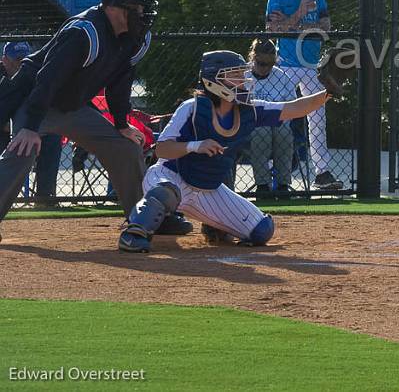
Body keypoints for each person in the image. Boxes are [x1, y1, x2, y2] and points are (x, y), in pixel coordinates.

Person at [118, 50, 330, 252]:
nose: (242, 80)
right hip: (170, 176)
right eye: (234, 75)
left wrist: (328, 92)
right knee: (165, 192)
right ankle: (134, 234)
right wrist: (195, 146)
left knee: (261, 230)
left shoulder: (250, 110)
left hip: (208, 188)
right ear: (213, 81)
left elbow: (294, 108)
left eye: (241, 74)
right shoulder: (191, 108)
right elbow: (162, 149)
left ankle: (214, 225)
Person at [0, 0, 159, 241]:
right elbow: (46, 79)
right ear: (113, 9)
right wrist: (29, 128)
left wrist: (121, 124)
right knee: (24, 150)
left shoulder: (135, 38)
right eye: (137, 8)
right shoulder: (83, 32)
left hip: (73, 107)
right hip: (36, 101)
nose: (143, 14)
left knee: (125, 147)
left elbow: (120, 83)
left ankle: (140, 220)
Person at [266, 0, 338, 190]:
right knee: (279, 116)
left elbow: (326, 28)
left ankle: (322, 172)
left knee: (318, 118)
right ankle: (277, 174)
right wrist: (300, 14)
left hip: (312, 65)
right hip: (286, 64)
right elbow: (272, 30)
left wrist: (297, 22)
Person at [1, 42, 62, 208]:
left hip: (30, 128)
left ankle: (44, 199)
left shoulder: (35, 74)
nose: (22, 62)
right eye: (18, 59)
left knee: (51, 138)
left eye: (25, 57)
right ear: (4, 60)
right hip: (4, 129)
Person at [247, 39, 297, 196]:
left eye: (270, 64)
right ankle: (262, 184)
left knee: (283, 133)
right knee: (261, 133)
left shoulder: (282, 77)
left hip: (279, 121)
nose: (265, 68)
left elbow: (293, 106)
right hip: (252, 123)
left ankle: (283, 184)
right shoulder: (243, 75)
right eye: (261, 63)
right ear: (253, 58)